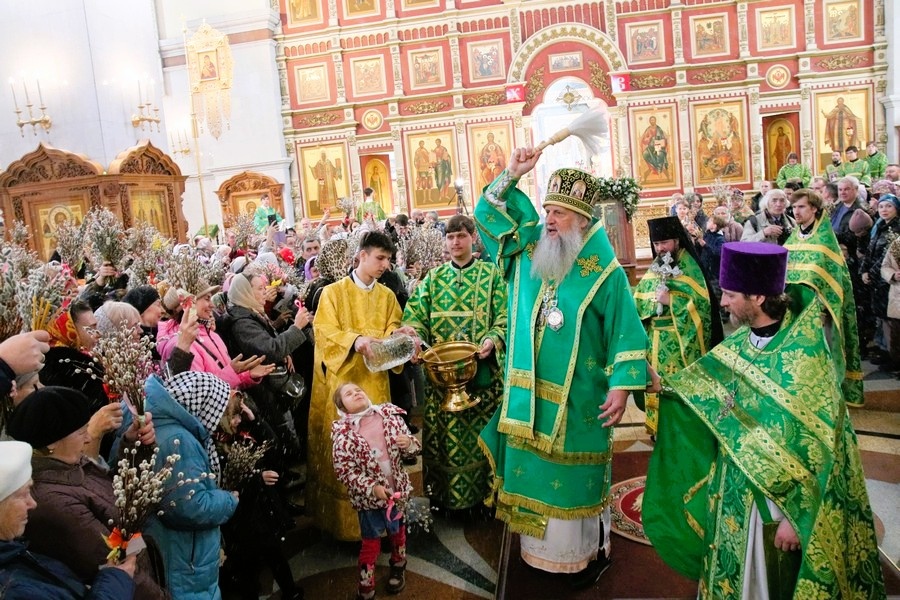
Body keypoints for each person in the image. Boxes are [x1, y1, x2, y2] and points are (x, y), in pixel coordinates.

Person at [643, 242, 885, 599]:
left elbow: (824, 451)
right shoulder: (742, 340)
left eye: (730, 294)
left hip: (775, 504)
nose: (722, 302)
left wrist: (797, 520)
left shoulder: (804, 359)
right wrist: (661, 385)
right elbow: (706, 389)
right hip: (732, 489)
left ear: (757, 296)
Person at [474, 149, 649, 588]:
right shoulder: (528, 250)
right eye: (548, 210)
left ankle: (579, 558)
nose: (549, 220)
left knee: (572, 486)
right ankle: (538, 558)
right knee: (533, 480)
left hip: (578, 399)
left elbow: (626, 331)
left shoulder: (603, 271)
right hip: (527, 396)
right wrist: (511, 173)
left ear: (583, 220)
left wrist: (622, 387)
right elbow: (488, 215)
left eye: (560, 213)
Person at [306, 231, 419, 541]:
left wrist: (400, 335)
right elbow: (324, 332)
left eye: (388, 260)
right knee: (350, 454)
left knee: (378, 452)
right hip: (345, 386)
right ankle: (346, 526)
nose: (384, 265)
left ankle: (384, 523)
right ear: (362, 255)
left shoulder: (387, 296)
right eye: (379, 258)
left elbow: (392, 329)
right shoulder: (333, 293)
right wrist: (355, 340)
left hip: (376, 385)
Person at [7, 387, 164, 600]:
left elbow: (117, 495)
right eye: (82, 432)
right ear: (52, 443)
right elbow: (118, 563)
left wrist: (135, 447)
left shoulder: (70, 465)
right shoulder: (56, 503)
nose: (89, 439)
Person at [402, 214, 507, 511]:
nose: (455, 242)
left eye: (461, 236)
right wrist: (415, 338)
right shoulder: (433, 279)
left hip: (481, 378)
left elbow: (505, 315)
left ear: (473, 237)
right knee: (445, 440)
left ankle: (486, 497)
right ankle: (446, 499)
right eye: (450, 237)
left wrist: (493, 339)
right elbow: (414, 317)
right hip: (441, 380)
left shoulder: (492, 275)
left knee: (481, 436)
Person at [142, 371, 239, 600]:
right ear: (203, 406)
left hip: (174, 551)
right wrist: (229, 500)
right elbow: (188, 506)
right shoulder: (180, 441)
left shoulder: (162, 426)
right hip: (185, 560)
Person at [0, 440, 137, 599]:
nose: (32, 503)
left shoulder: (15, 552)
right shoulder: (10, 589)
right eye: (22, 495)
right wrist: (116, 580)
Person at [331, 382, 421, 600]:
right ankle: (366, 584)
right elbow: (345, 472)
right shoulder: (343, 436)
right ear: (342, 407)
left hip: (396, 493)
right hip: (369, 501)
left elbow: (413, 450)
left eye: (358, 390)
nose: (356, 393)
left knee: (398, 532)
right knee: (370, 543)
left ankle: (398, 564)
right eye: (349, 394)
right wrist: (372, 488)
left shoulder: (389, 417)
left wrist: (409, 443)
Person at [633, 216, 723, 435]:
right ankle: (660, 432)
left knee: (677, 391)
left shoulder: (689, 267)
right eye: (656, 244)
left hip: (681, 345)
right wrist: (648, 305)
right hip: (654, 343)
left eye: (664, 243)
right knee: (656, 390)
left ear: (677, 241)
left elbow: (702, 306)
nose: (660, 248)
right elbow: (640, 298)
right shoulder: (657, 266)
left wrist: (671, 301)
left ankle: (684, 432)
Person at [784, 188, 865, 407]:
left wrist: (820, 308)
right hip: (795, 309)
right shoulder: (794, 237)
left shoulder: (824, 240)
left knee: (823, 353)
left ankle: (829, 398)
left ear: (814, 209)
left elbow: (830, 280)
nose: (796, 211)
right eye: (794, 207)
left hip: (821, 312)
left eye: (801, 207)